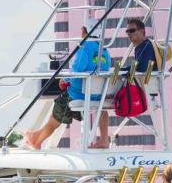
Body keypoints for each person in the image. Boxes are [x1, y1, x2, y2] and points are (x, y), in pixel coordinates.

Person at [25, 19, 112, 150]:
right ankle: (104, 140)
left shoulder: (84, 47)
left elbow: (76, 71)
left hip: (78, 94)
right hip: (97, 96)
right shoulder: (104, 51)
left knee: (55, 117)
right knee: (102, 110)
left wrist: (64, 80)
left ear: (84, 31)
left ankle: (37, 141)